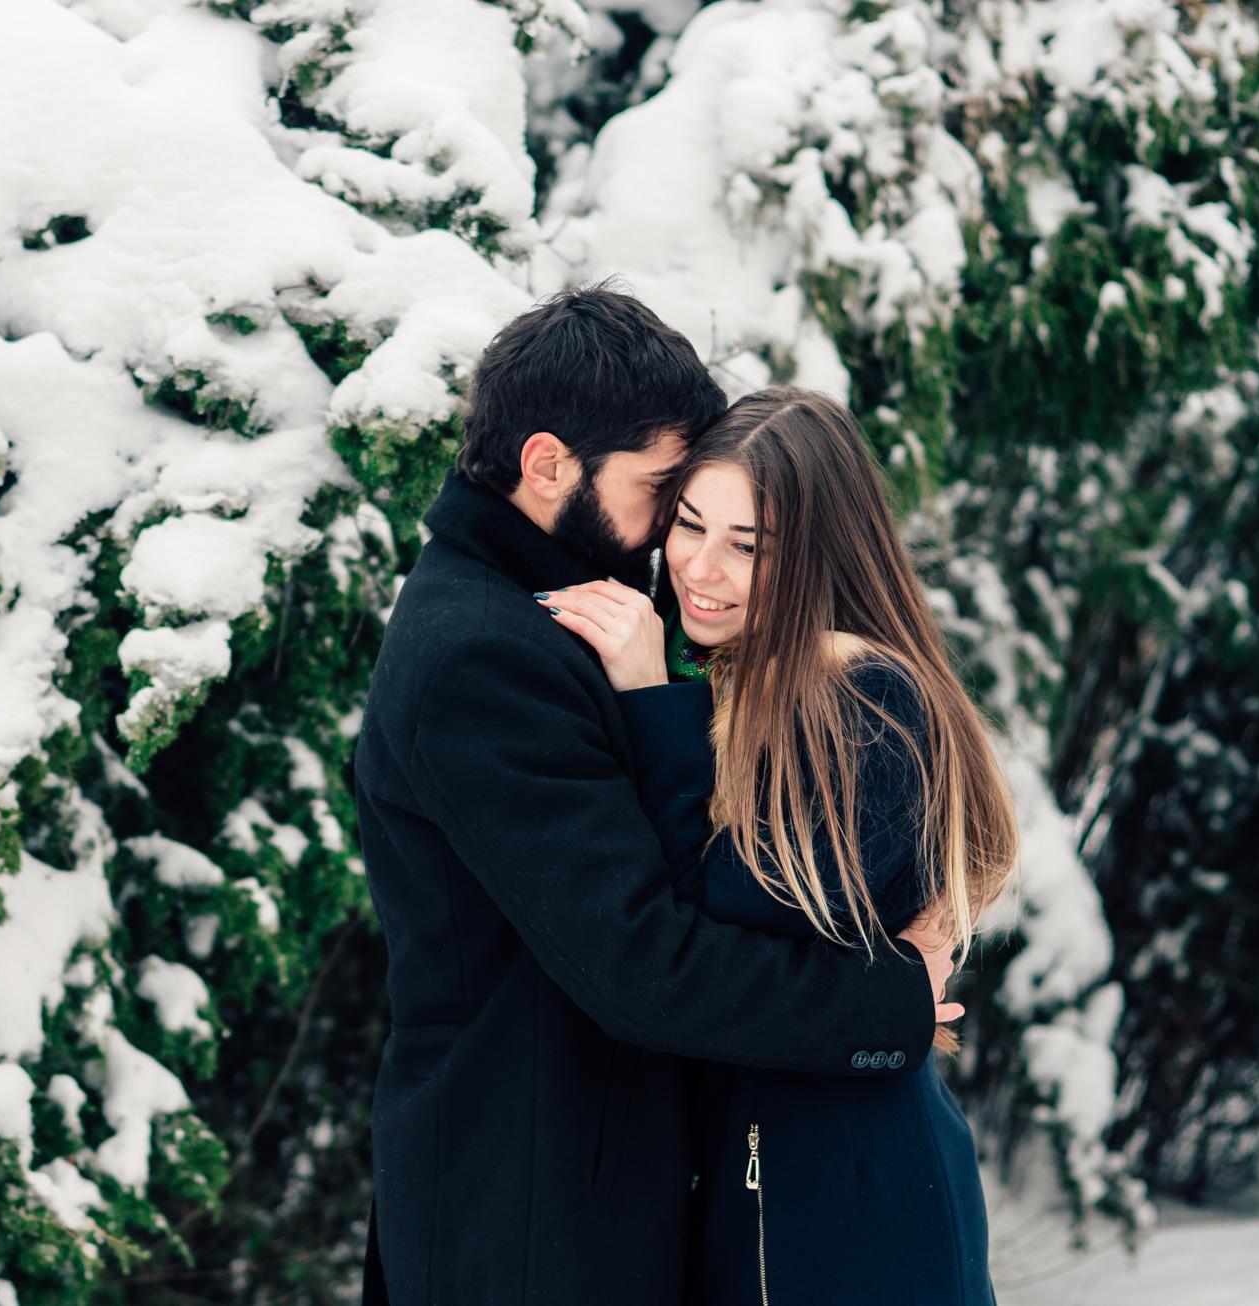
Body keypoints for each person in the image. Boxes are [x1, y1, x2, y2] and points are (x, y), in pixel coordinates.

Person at [353, 281, 963, 1305]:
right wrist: (890, 999)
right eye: (663, 495)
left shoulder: (559, 610)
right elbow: (641, 958)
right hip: (534, 1216)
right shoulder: (482, 654)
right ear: (548, 464)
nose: (670, 546)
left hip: (595, 1196)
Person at [539, 385, 1017, 1305]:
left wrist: (650, 707)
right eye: (689, 524)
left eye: (748, 546)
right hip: (760, 1192)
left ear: (820, 554)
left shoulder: (864, 701)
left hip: (848, 1215)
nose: (701, 569)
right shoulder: (726, 679)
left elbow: (715, 916)